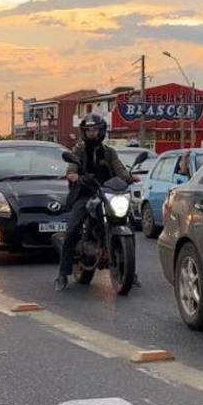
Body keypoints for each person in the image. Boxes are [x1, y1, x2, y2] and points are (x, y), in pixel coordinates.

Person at [55, 113, 135, 291]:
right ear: (84, 132)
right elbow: (71, 168)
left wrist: (130, 177)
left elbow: (120, 170)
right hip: (85, 193)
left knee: (127, 221)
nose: (92, 133)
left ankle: (130, 270)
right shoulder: (79, 150)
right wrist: (73, 175)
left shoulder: (109, 152)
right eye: (89, 130)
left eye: (96, 130)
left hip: (106, 193)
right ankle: (63, 273)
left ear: (102, 131)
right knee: (73, 227)